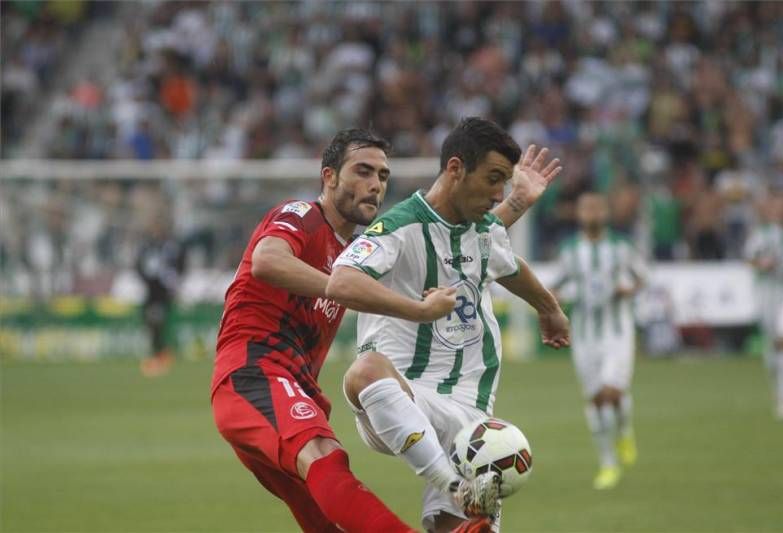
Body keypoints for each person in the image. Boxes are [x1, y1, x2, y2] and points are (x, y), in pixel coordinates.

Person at [211, 127, 547, 533]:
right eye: (362, 172)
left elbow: (460, 239)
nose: (374, 185)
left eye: (382, 177)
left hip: (298, 386)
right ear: (329, 176)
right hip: (254, 372)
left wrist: (515, 203)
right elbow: (267, 260)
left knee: (328, 518)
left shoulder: (360, 248)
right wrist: (346, 285)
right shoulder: (302, 216)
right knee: (325, 456)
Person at [326, 118, 569, 533]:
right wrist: (418, 310)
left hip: (472, 415)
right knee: (364, 369)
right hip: (403, 395)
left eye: (505, 183)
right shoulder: (399, 227)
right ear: (456, 169)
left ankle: (459, 495)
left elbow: (507, 263)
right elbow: (340, 281)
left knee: (458, 530)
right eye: (494, 179)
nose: (499, 194)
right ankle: (453, 484)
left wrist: (549, 308)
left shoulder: (483, 230)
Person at [550, 192, 647, 490]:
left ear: (605, 212)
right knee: (595, 399)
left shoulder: (621, 247)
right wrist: (561, 299)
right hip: (584, 335)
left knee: (610, 392)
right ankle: (608, 462)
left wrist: (626, 289)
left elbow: (642, 278)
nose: (591, 213)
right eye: (586, 208)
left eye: (596, 208)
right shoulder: (569, 250)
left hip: (617, 332)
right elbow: (557, 287)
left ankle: (623, 436)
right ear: (579, 213)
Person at [744, 189, 783, 420]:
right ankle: (779, 391)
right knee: (773, 347)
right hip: (767, 291)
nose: (781, 211)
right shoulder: (761, 235)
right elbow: (750, 259)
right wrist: (763, 264)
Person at [135, 216, 185, 377]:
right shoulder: (148, 246)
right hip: (151, 289)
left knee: (159, 321)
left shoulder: (171, 246)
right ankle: (159, 354)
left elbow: (180, 263)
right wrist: (145, 278)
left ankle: (160, 355)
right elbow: (138, 264)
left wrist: (174, 278)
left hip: (164, 290)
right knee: (150, 321)